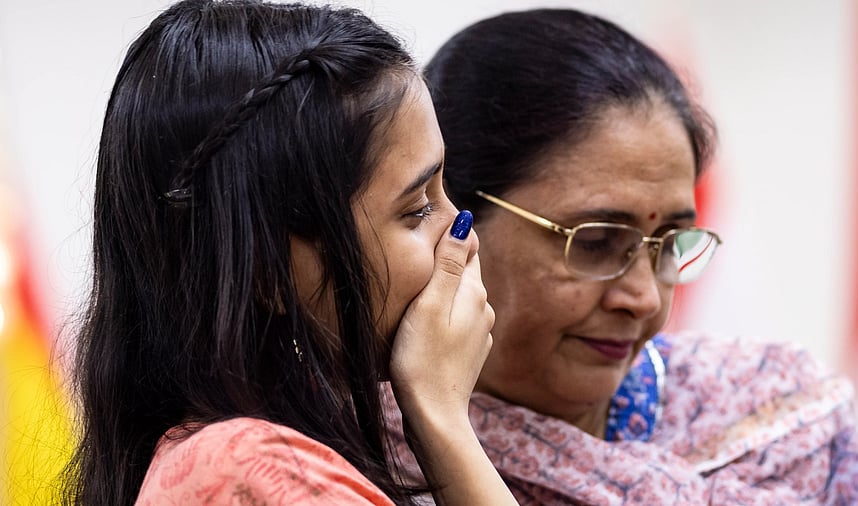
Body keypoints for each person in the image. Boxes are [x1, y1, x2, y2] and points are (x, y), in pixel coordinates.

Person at [385, 8, 858, 505]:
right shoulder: (360, 460)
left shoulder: (781, 418)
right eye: (594, 242)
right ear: (452, 217)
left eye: (671, 244)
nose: (645, 297)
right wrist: (440, 427)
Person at [59, 1, 520, 504]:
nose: (464, 237)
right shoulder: (250, 471)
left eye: (442, 188)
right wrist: (442, 420)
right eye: (416, 208)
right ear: (268, 271)